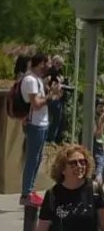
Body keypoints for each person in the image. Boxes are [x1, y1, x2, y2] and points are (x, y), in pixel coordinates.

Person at [20, 52, 62, 204]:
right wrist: (50, 96)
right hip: (35, 124)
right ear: (41, 63)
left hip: (42, 123)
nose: (50, 66)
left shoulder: (37, 79)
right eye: (48, 62)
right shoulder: (30, 80)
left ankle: (30, 191)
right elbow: (36, 104)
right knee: (32, 159)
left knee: (37, 159)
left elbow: (42, 100)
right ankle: (26, 194)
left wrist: (53, 93)